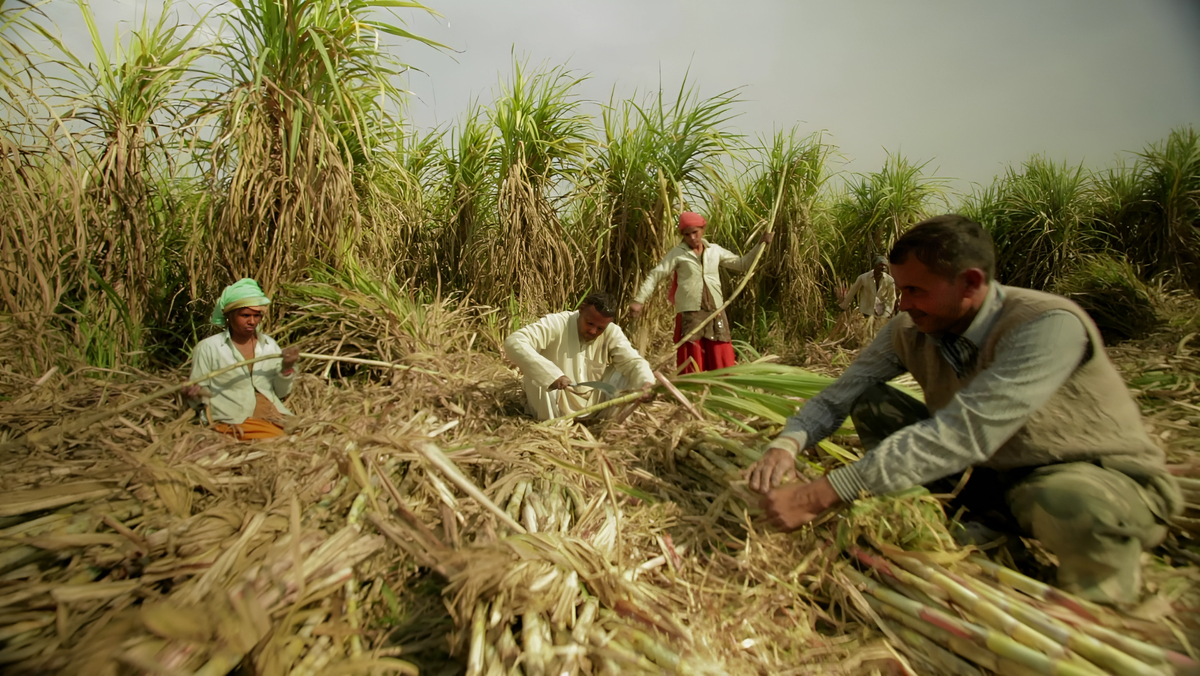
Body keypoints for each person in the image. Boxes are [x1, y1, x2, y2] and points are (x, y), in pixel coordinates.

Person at [747, 214, 1181, 606]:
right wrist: (788, 443)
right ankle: (978, 524)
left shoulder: (1045, 325)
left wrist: (821, 492)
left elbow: (965, 431)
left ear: (971, 283)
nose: (903, 304)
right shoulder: (911, 327)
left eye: (916, 290)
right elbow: (840, 394)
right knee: (872, 401)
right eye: (900, 289)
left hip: (1090, 482)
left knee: (1065, 498)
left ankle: (1100, 603)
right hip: (990, 477)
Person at [629, 212, 772, 373]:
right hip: (691, 312)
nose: (692, 237)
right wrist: (639, 300)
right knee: (692, 357)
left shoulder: (714, 251)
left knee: (720, 352)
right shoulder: (677, 254)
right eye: (687, 234)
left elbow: (742, 264)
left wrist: (760, 244)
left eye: (695, 232)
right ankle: (694, 391)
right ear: (682, 235)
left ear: (703, 229)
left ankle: (723, 388)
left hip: (715, 310)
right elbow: (656, 275)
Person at [505, 292, 655, 421]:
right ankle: (556, 429)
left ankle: (607, 424)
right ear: (581, 309)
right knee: (536, 376)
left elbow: (632, 362)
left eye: (600, 328)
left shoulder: (611, 332)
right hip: (554, 406)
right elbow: (514, 342)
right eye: (589, 323)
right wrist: (552, 375)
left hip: (593, 405)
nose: (593, 331)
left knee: (626, 374)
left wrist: (646, 383)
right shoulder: (557, 323)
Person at [183, 278, 299, 440]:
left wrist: (286, 368)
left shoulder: (269, 346)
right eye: (245, 315)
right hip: (235, 420)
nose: (252, 321)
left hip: (275, 416)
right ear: (230, 316)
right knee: (280, 442)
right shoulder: (208, 348)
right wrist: (193, 393)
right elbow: (199, 396)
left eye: (257, 315)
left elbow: (280, 392)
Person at [841, 255, 897, 337]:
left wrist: (887, 312)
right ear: (874, 266)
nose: (882, 270)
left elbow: (892, 298)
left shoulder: (889, 280)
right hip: (866, 310)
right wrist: (844, 305)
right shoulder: (863, 278)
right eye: (879, 267)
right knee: (866, 333)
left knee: (878, 334)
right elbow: (852, 292)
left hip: (881, 312)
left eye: (884, 268)